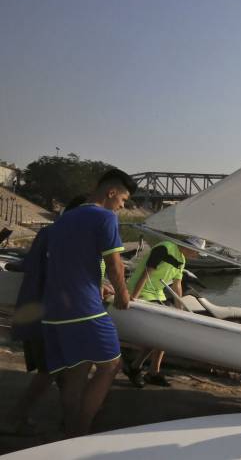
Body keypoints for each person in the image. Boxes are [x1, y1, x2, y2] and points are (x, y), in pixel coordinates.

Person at [41, 169, 135, 437]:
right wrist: (122, 295)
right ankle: (82, 431)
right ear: (111, 192)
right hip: (84, 311)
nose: (122, 206)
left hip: (55, 311)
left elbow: (74, 263)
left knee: (77, 372)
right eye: (123, 201)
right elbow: (115, 265)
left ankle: (70, 430)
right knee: (111, 366)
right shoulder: (105, 217)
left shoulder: (65, 219)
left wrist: (98, 285)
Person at [3, 195, 86, 434]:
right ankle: (16, 417)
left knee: (58, 370)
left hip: (39, 309)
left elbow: (31, 265)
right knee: (52, 369)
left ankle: (68, 420)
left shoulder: (49, 233)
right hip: (51, 313)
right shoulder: (66, 237)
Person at [124, 236, 205, 387]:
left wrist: (180, 310)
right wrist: (133, 297)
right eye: (196, 252)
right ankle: (141, 368)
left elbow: (177, 285)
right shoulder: (165, 248)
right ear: (190, 247)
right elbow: (147, 272)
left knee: (165, 333)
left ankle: (148, 370)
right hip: (142, 292)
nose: (197, 255)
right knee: (162, 332)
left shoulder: (181, 259)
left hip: (157, 295)